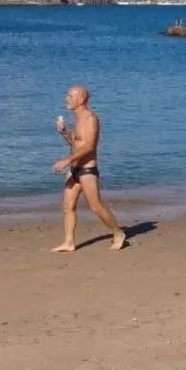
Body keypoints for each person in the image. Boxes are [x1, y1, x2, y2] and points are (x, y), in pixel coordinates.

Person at [51, 85, 126, 253]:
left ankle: (118, 232)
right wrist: (63, 132)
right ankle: (69, 242)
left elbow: (89, 146)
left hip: (87, 170)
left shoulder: (90, 118)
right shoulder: (77, 119)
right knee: (68, 206)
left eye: (70, 96)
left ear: (81, 99)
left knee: (95, 207)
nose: (66, 99)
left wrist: (66, 160)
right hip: (74, 169)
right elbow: (75, 145)